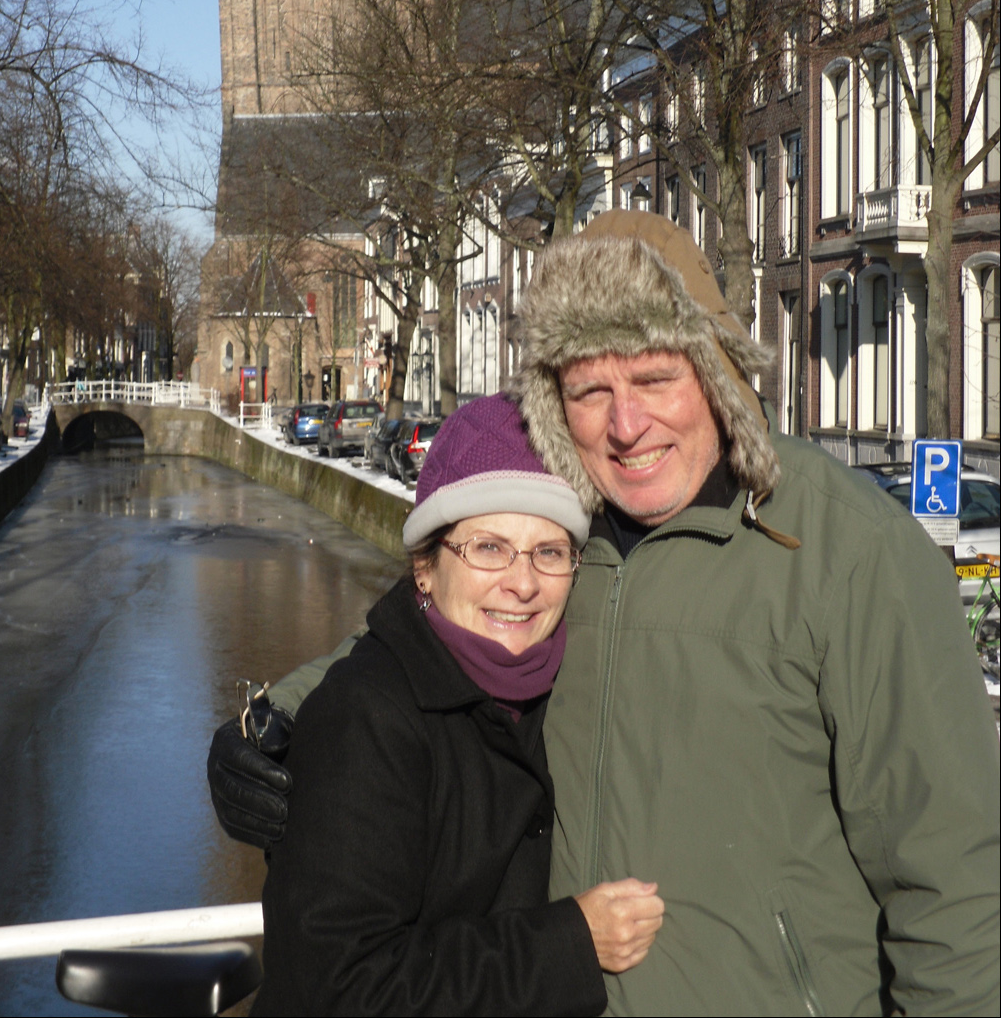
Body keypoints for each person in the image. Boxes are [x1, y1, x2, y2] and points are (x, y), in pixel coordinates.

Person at [211, 212, 1000, 1016]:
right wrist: (276, 721)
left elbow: (953, 872)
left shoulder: (847, 551)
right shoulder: (556, 537)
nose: (626, 427)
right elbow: (429, 628)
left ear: (715, 371)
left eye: (655, 379)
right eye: (591, 391)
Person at [246, 393, 663, 1016]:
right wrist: (571, 942)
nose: (523, 583)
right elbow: (338, 987)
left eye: (549, 552)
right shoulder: (364, 718)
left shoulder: (560, 693)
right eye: (489, 548)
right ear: (424, 566)